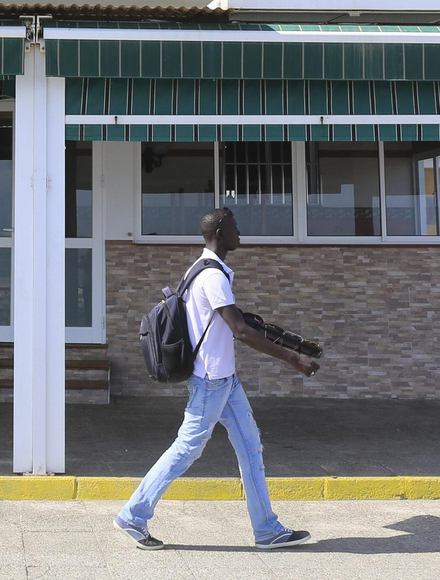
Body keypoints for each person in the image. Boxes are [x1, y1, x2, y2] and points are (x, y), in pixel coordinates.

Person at [115, 206, 318, 550]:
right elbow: (239, 331)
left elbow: (238, 323)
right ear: (221, 232)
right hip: (211, 381)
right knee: (187, 449)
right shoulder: (212, 276)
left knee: (251, 447)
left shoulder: (206, 270)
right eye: (236, 228)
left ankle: (267, 530)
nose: (241, 234)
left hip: (225, 380)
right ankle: (134, 513)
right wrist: (292, 358)